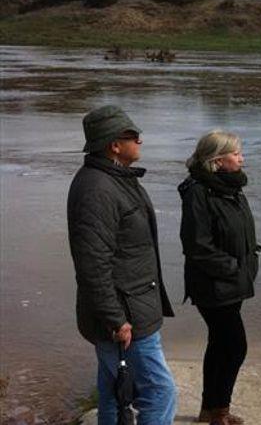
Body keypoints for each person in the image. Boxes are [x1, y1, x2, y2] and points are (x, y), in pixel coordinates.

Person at [67, 105, 177, 425]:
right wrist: (116, 318)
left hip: (129, 308)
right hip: (124, 317)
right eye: (134, 136)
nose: (140, 141)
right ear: (114, 145)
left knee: (114, 390)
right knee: (159, 391)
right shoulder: (97, 189)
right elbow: (92, 263)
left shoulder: (115, 179)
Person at [179, 130, 259, 425]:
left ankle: (210, 411)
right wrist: (233, 268)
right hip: (213, 284)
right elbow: (197, 245)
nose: (241, 157)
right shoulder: (199, 191)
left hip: (231, 282)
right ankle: (219, 411)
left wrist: (248, 262)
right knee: (235, 346)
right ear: (217, 159)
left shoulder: (230, 187)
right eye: (236, 153)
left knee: (220, 344)